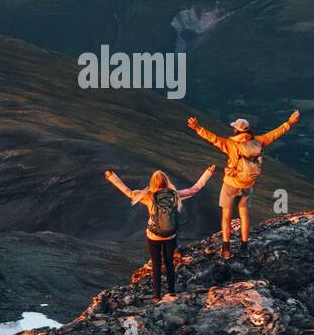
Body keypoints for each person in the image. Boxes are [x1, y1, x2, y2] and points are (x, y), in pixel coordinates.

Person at [187, 111, 299, 254]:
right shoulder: (258, 141)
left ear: (236, 130)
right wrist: (289, 123)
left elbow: (213, 138)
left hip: (230, 184)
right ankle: (244, 246)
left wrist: (197, 128)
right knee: (244, 214)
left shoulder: (230, 144)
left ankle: (226, 248)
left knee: (226, 215)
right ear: (247, 130)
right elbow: (275, 133)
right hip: (248, 184)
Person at [105, 165, 215, 300]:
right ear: (166, 181)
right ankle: (172, 291)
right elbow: (194, 190)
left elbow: (128, 192)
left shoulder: (149, 196)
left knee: (156, 265)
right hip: (170, 235)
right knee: (169, 264)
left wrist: (112, 177)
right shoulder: (175, 195)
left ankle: (157, 296)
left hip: (153, 235)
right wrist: (208, 173)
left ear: (152, 183)